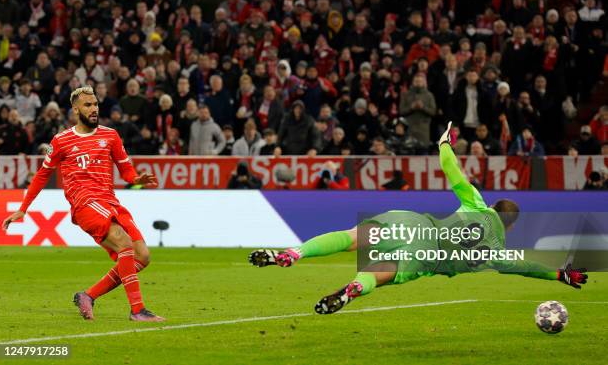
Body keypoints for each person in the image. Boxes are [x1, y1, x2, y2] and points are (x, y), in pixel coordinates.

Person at [248, 122, 588, 314]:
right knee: (377, 274)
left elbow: (450, 169)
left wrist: (444, 143)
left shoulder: (476, 203)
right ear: (510, 224)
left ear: (493, 207)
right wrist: (559, 274)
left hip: (414, 223)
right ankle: (354, 288)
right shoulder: (497, 249)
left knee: (352, 237)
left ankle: (296, 253)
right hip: (427, 257)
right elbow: (526, 267)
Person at [1, 86, 164, 322]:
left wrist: (136, 180)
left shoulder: (111, 135)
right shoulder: (61, 141)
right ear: (76, 110)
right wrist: (23, 208)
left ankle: (88, 295)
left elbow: (127, 171)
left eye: (96, 104)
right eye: (88, 105)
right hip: (85, 203)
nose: (94, 109)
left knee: (142, 256)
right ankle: (137, 310)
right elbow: (41, 176)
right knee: (124, 244)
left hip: (110, 202)